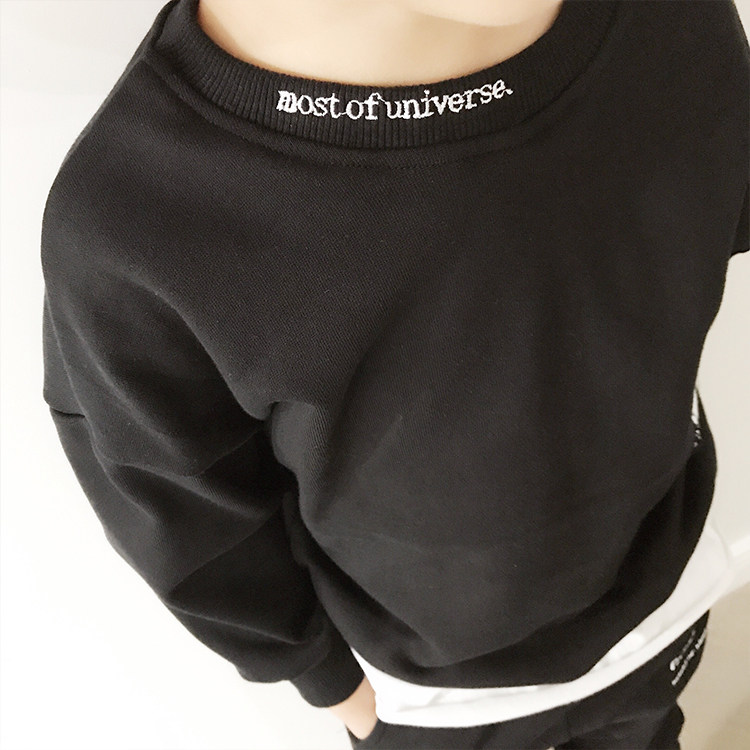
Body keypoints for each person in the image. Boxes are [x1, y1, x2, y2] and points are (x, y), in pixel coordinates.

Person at [40, 0, 748, 748]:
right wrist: (322, 677)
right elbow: (178, 509)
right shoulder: (134, 220)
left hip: (666, 592)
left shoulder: (672, 20)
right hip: (428, 700)